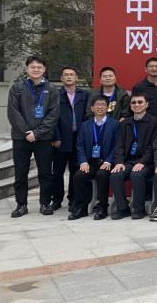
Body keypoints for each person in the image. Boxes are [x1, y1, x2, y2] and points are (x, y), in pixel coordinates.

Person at [8, 55, 60, 218]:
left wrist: (37, 133)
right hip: (21, 138)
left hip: (43, 138)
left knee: (45, 172)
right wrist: (27, 133)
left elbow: (53, 114)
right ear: (27, 69)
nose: (36, 70)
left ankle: (45, 203)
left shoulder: (52, 89)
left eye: (39, 67)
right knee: (20, 173)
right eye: (32, 67)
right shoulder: (17, 88)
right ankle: (21, 205)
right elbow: (13, 113)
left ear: (44, 69)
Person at [68, 96, 118, 220]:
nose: (100, 107)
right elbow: (80, 145)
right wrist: (83, 162)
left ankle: (102, 207)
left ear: (108, 108)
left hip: (107, 162)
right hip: (90, 162)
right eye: (97, 105)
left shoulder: (115, 124)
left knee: (102, 175)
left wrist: (109, 161)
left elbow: (117, 145)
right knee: (78, 176)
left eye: (103, 104)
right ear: (92, 108)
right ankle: (81, 208)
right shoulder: (85, 125)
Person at [110, 92, 157, 219]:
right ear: (130, 105)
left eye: (140, 102)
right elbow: (119, 145)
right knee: (115, 175)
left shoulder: (155, 122)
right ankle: (123, 208)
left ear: (146, 104)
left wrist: (142, 162)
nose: (137, 105)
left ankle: (139, 209)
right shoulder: (124, 123)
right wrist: (119, 162)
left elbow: (153, 146)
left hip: (147, 163)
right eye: (134, 102)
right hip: (128, 161)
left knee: (136, 175)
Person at [51, 66, 88, 210]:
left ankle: (73, 198)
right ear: (61, 78)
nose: (69, 77)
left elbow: (87, 116)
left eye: (71, 75)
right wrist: (56, 136)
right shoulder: (55, 94)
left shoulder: (84, 95)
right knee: (58, 171)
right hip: (61, 138)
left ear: (76, 78)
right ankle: (56, 199)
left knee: (75, 171)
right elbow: (52, 117)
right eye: (66, 75)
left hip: (78, 138)